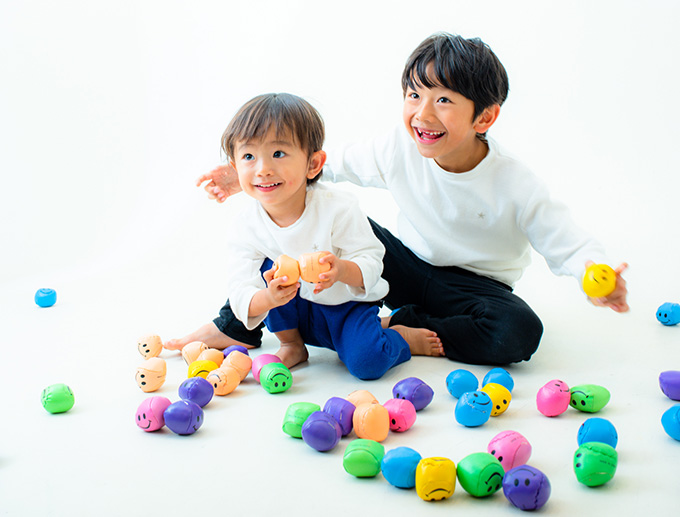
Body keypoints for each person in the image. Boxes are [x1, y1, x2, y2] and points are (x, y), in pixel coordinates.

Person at [172, 32, 629, 366]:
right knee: (299, 223)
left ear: (484, 118)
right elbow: (320, 166)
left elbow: (563, 238)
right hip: (404, 262)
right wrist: (249, 175)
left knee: (519, 332)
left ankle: (401, 326)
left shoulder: (513, 182)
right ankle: (235, 326)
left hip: (474, 287)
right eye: (414, 95)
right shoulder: (398, 146)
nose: (422, 114)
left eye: (444, 100)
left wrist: (595, 272)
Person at [168, 92, 442, 380]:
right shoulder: (245, 227)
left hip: (345, 308)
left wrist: (341, 270)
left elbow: (372, 259)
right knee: (269, 269)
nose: (263, 169)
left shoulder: (337, 208)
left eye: (278, 154)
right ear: (235, 167)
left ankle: (398, 336)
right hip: (296, 310)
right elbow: (240, 291)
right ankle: (292, 345)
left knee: (368, 363)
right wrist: (269, 297)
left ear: (313, 164)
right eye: (249, 156)